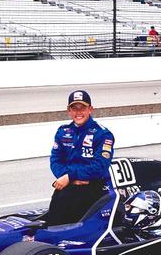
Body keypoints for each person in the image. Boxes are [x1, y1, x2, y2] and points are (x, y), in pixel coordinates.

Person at [47, 90, 114, 226]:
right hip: (66, 187)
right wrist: (69, 178)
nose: (78, 112)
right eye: (74, 108)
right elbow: (55, 161)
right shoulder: (63, 131)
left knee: (79, 231)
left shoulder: (103, 134)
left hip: (92, 190)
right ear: (68, 111)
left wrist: (70, 176)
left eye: (82, 108)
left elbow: (99, 167)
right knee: (52, 226)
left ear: (90, 109)